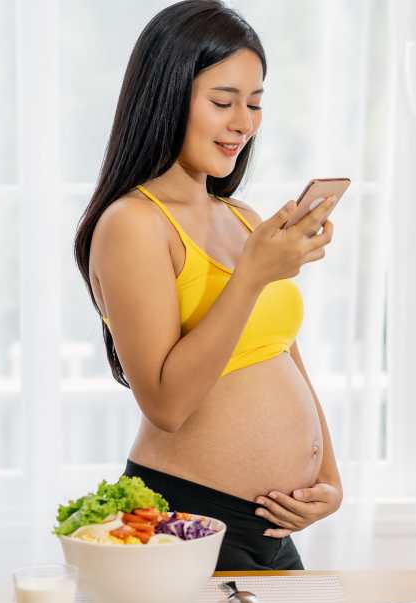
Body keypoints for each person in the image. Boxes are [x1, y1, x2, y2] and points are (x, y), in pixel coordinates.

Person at [72, 0, 341, 570]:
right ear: (168, 96)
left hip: (272, 527)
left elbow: (285, 357)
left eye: (255, 102)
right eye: (223, 101)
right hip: (186, 520)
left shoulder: (241, 216)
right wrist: (252, 276)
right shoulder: (132, 225)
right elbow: (166, 404)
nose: (243, 122)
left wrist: (328, 477)